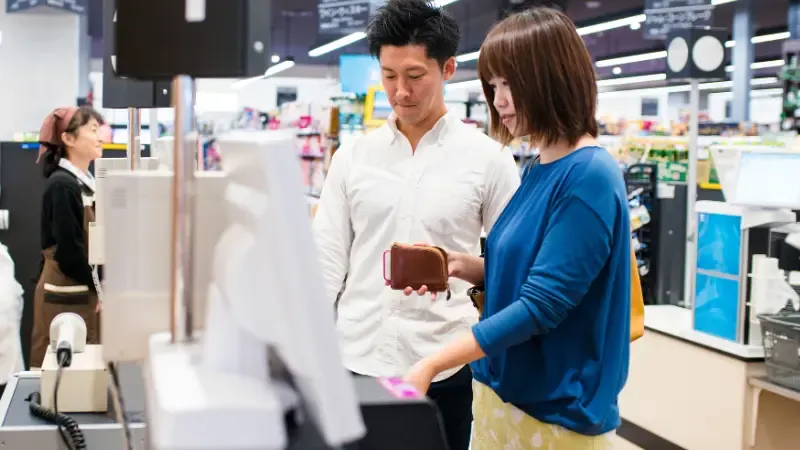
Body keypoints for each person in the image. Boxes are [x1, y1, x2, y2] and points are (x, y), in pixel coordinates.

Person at [402, 7, 631, 449]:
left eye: (510, 84)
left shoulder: (589, 176)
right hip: (502, 397)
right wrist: (460, 265)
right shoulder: (540, 166)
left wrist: (433, 363)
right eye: (493, 85)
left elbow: (542, 305)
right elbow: (530, 270)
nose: (499, 99)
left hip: (555, 415)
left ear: (552, 79)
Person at [312, 0, 519, 448]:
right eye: (389, 76)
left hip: (444, 364)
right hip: (356, 356)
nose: (400, 91)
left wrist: (466, 267)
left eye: (414, 76)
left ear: (447, 69)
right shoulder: (353, 157)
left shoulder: (491, 160)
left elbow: (513, 265)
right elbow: (327, 256)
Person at [30, 105, 106, 368]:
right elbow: (70, 252)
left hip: (77, 291)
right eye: (93, 130)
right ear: (69, 139)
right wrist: (100, 288)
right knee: (56, 375)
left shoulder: (83, 181)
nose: (101, 137)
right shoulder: (63, 185)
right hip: (65, 294)